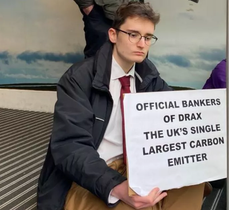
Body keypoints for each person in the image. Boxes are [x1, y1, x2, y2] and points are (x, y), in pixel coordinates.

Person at [37, 2, 209, 210]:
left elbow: (173, 119)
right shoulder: (77, 78)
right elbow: (70, 148)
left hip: (137, 167)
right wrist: (116, 186)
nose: (141, 44)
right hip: (90, 177)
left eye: (147, 37)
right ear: (112, 35)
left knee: (192, 181)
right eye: (133, 34)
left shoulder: (148, 77)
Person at [73, 0, 140, 58]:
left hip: (132, 11)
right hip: (100, 13)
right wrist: (87, 7)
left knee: (132, 56)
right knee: (98, 59)